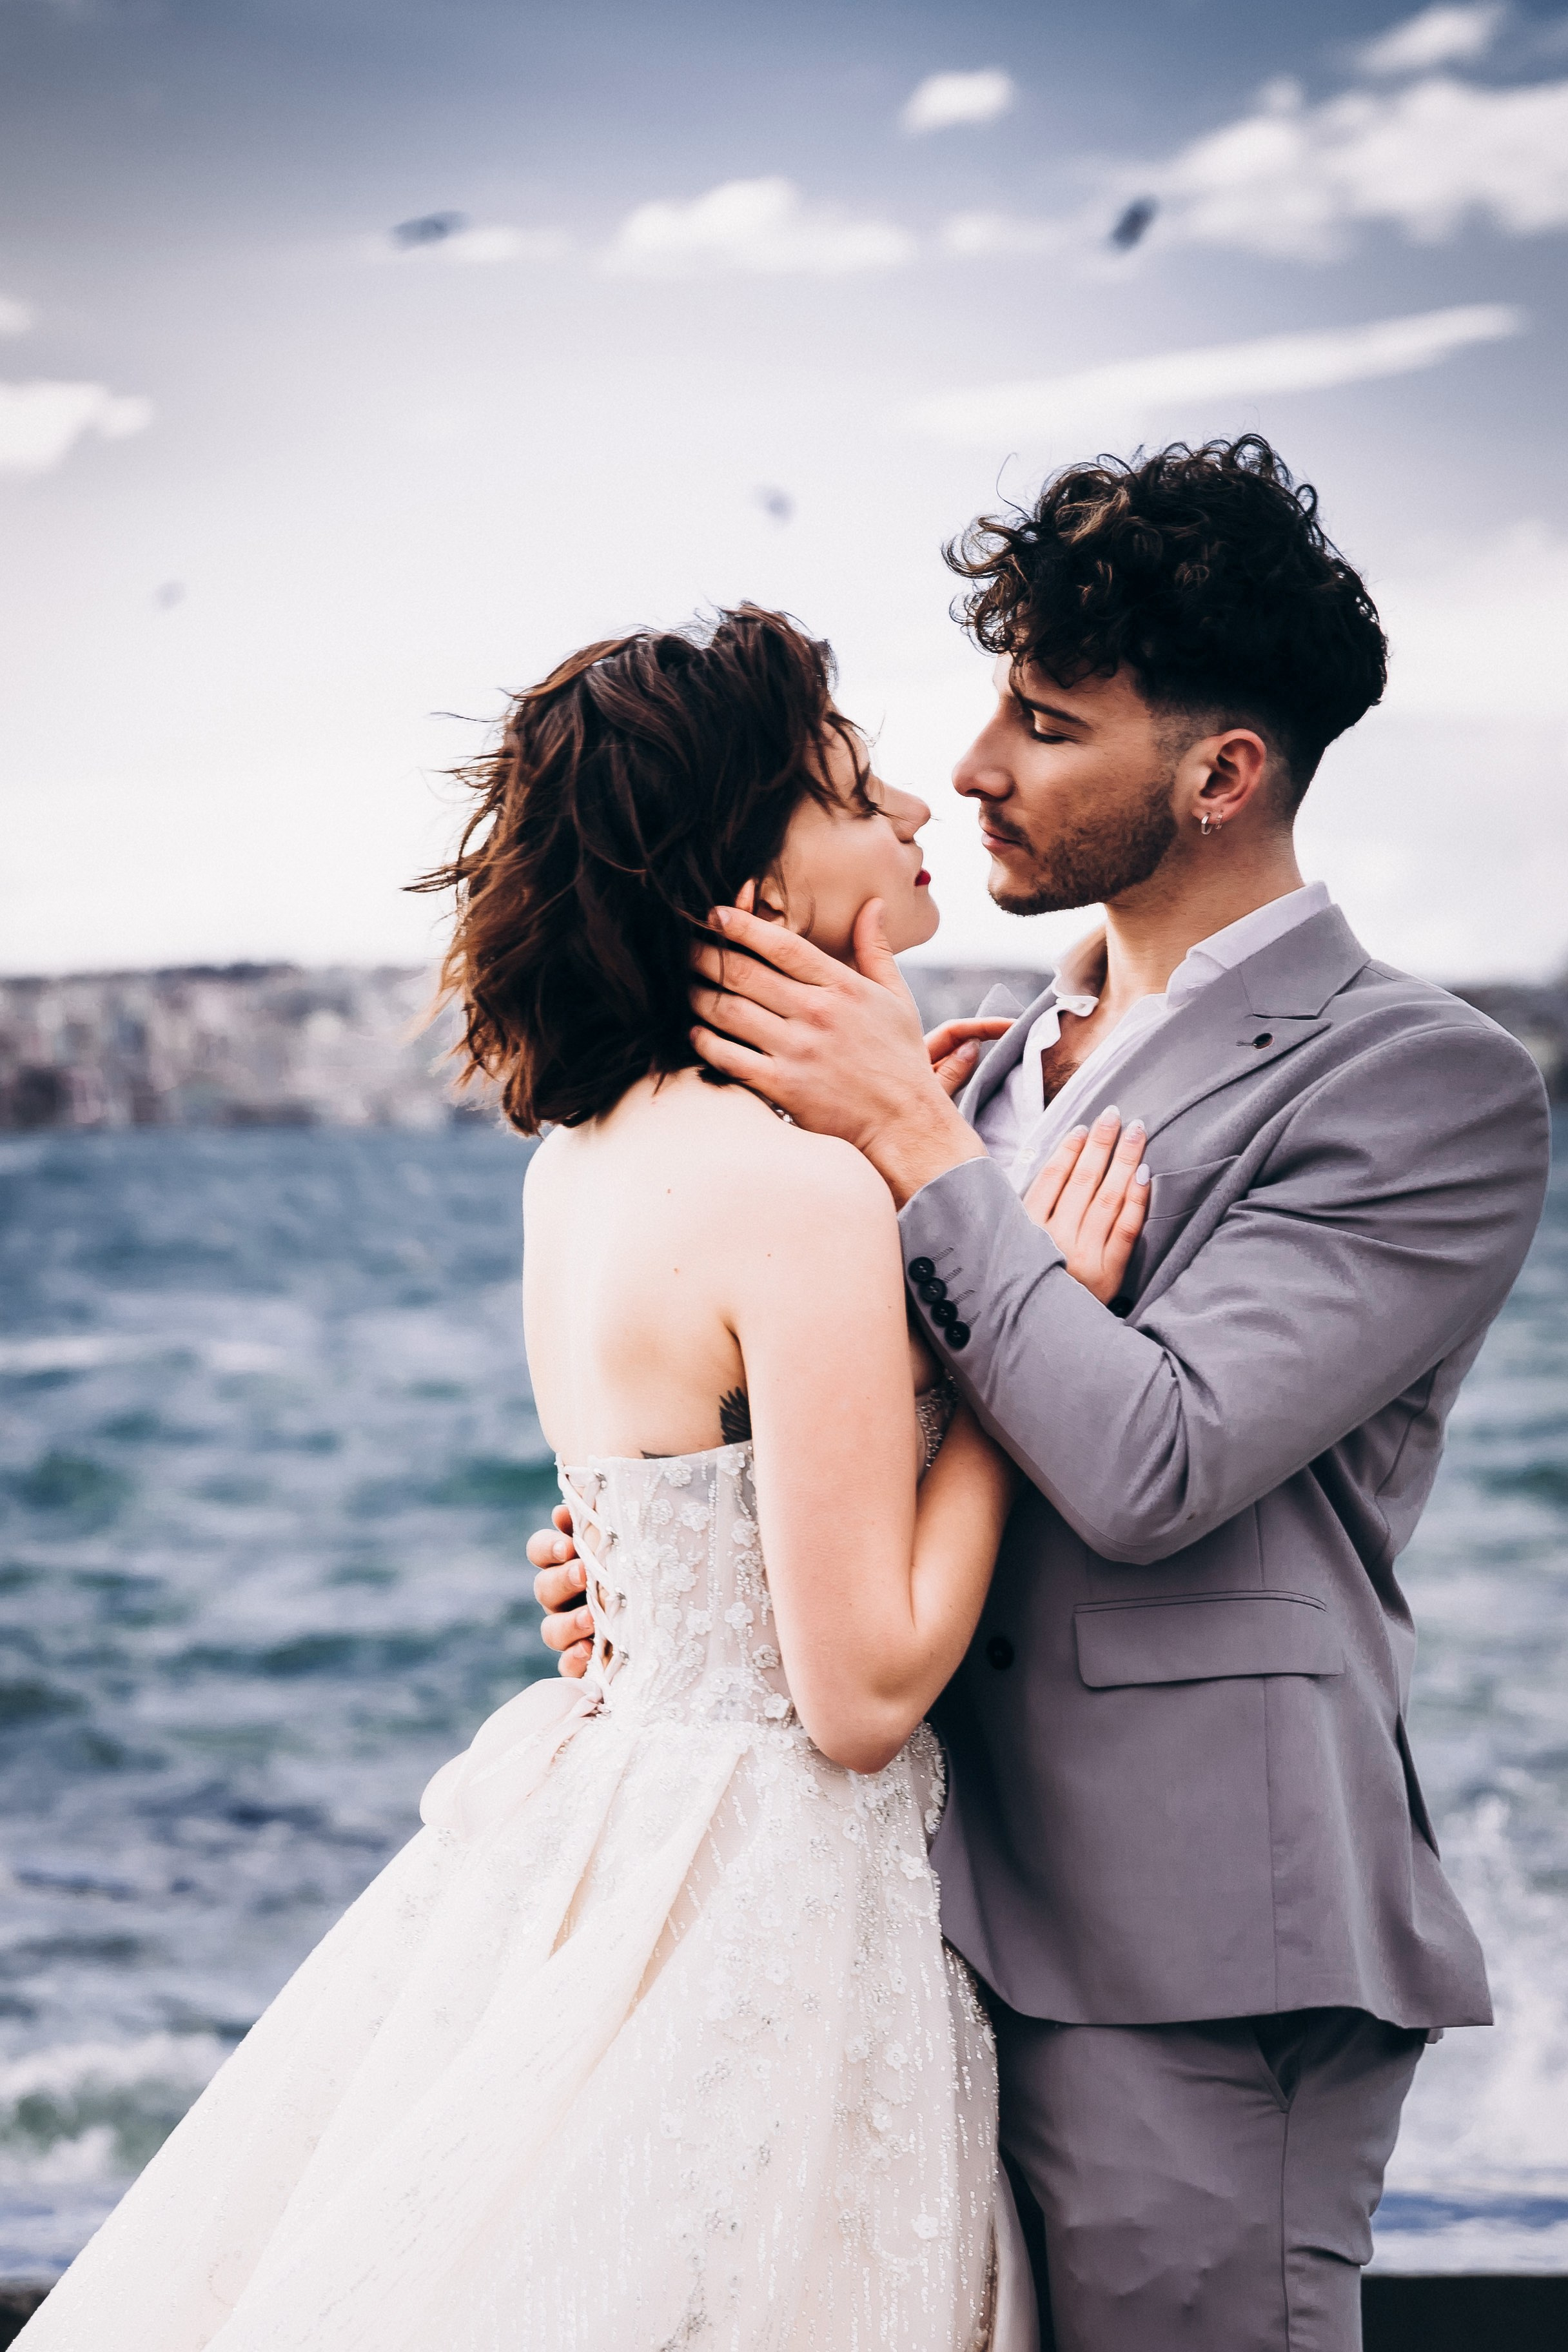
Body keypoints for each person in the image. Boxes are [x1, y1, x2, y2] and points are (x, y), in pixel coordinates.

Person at [15, 609, 1144, 2352]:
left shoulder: (588, 1162)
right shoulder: (801, 1199)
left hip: (613, 1829)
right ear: (755, 897)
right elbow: (859, 1693)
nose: (917, 805)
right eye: (854, 789)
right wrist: (1023, 1339)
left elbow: (694, 1506)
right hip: (776, 1885)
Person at [533, 440, 1553, 2351]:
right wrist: (669, 1576)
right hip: (896, 1913)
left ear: (1221, 772)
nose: (975, 767)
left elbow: (1155, 1459)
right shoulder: (981, 1073)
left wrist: (921, 1147)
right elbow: (872, 1434)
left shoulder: (1426, 1085)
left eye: (1045, 721)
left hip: (1190, 1954)